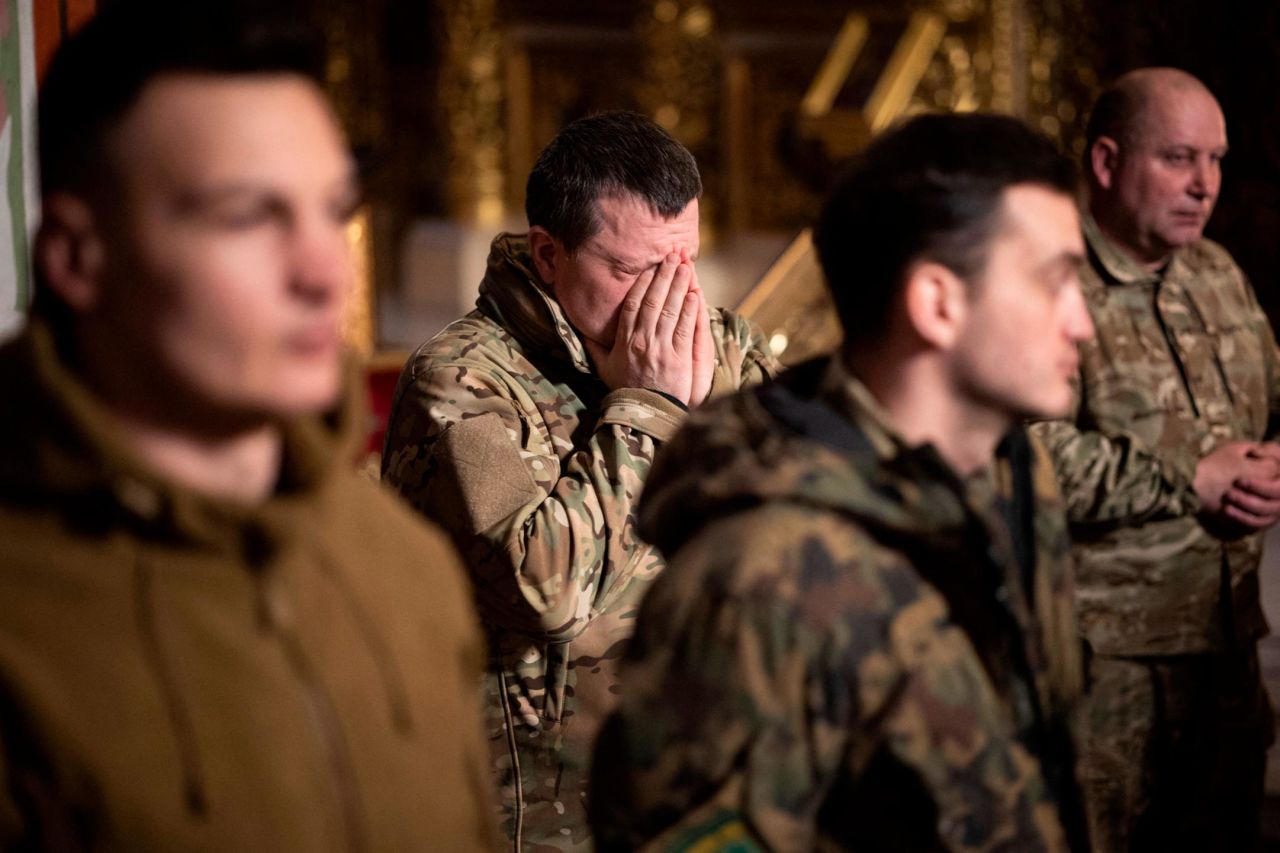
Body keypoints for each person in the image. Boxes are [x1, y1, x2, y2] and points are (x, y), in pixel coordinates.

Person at [0, 3, 495, 849]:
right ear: (79, 257)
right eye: (247, 217)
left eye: (330, 209)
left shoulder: (402, 561)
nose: (324, 270)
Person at [588, 112, 1096, 851]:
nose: (1081, 321)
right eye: (1056, 281)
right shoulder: (757, 578)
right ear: (937, 303)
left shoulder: (1016, 478)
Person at [382, 110, 777, 849]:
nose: (667, 298)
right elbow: (546, 590)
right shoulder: (460, 382)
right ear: (547, 253)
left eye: (683, 263)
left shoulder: (719, 342)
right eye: (630, 270)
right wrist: (648, 408)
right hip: (541, 817)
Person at [1030, 67, 1280, 851]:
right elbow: (1020, 455)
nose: (1204, 185)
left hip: (1224, 658)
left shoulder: (1216, 274)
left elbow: (1270, 406)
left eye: (1216, 159)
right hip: (1099, 674)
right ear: (1106, 163)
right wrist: (1188, 475)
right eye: (1178, 158)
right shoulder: (1043, 281)